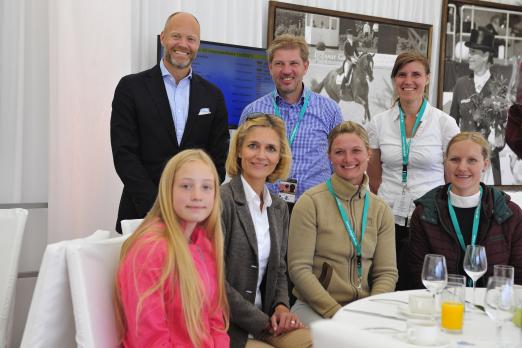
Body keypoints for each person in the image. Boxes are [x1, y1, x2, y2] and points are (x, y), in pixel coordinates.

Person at [111, 12, 229, 232]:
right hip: (141, 214)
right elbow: (124, 155)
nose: (183, 44)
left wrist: (194, 203)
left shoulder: (213, 96)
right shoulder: (130, 88)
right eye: (176, 36)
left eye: (191, 39)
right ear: (163, 38)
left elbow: (217, 161)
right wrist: (158, 207)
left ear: (198, 45)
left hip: (195, 219)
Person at [114, 149, 229, 347]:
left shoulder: (205, 244)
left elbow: (216, 324)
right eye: (186, 186)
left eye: (206, 187)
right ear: (168, 190)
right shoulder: (150, 251)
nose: (197, 196)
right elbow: (150, 340)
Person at [288, 121, 398, 324]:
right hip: (315, 308)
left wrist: (371, 312)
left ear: (368, 154)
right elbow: (299, 268)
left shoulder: (381, 209)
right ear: (329, 156)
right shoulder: (310, 203)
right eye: (339, 152)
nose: (348, 159)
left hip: (364, 310)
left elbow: (386, 272)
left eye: (356, 151)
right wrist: (337, 313)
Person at [367, 51, 459, 289]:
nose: (408, 81)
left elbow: (452, 181)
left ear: (427, 78)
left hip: (430, 220)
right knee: (387, 285)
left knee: (422, 286)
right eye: (402, 75)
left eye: (416, 74)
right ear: (394, 79)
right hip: (387, 220)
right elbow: (374, 179)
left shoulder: (444, 123)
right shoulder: (378, 123)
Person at [221, 113, 311, 348]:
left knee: (317, 343)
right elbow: (213, 283)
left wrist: (281, 306)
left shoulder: (279, 207)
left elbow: (280, 269)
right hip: (228, 325)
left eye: (270, 148)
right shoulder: (221, 201)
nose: (261, 155)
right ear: (239, 150)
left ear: (279, 156)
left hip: (268, 320)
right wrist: (264, 322)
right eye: (253, 146)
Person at [405, 132, 522, 287]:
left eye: (472, 160)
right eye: (454, 159)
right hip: (443, 305)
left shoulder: (510, 213)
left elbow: (519, 277)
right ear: (445, 162)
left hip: (492, 306)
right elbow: (418, 276)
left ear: (485, 164)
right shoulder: (424, 213)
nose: (462, 167)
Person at [240, 34, 342, 209]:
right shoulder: (252, 112)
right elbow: (240, 164)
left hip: (315, 209)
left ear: (305, 66)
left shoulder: (330, 110)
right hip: (263, 208)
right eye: (279, 64)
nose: (286, 71)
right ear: (270, 67)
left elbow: (338, 164)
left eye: (293, 63)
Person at [450, 27, 505, 185]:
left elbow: (503, 134)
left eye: (474, 52)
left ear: (486, 56)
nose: (469, 56)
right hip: (464, 167)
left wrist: (497, 139)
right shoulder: (461, 84)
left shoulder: (499, 88)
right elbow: (452, 123)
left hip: (489, 166)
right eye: (470, 52)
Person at [339, 29, 360, 93]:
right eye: (349, 35)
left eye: (351, 35)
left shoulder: (353, 42)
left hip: (354, 58)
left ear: (352, 35)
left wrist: (359, 56)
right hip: (348, 60)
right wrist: (351, 59)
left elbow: (356, 51)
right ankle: (341, 88)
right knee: (346, 73)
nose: (350, 36)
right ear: (347, 35)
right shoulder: (346, 43)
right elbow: (345, 53)